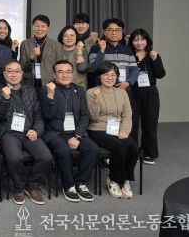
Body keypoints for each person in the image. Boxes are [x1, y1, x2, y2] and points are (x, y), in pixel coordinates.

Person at [39, 60, 99, 203]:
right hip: (55, 132)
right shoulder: (45, 89)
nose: (64, 75)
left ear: (72, 74)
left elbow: (84, 115)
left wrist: (77, 136)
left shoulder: (79, 90)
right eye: (60, 72)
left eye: (68, 72)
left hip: (75, 132)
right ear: (54, 74)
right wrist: (50, 95)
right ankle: (69, 185)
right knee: (63, 150)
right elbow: (48, 115)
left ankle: (80, 182)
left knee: (92, 149)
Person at [0, 60, 52, 205]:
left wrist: (36, 131)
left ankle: (31, 185)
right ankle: (18, 187)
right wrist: (5, 99)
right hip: (8, 133)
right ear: (4, 74)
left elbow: (38, 115)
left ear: (22, 73)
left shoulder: (30, 90)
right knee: (14, 158)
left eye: (17, 71)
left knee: (45, 157)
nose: (13, 74)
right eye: (9, 71)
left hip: (28, 132)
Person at [86, 62, 139, 199]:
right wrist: (96, 100)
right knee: (119, 147)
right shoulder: (91, 92)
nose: (110, 78)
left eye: (113, 75)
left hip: (117, 129)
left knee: (133, 148)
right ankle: (114, 179)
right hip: (98, 128)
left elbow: (127, 114)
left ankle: (125, 179)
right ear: (99, 76)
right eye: (106, 74)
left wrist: (124, 131)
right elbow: (92, 116)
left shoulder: (122, 92)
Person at [88, 18, 139, 140]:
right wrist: (102, 51)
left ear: (122, 32)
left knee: (129, 118)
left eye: (118, 30)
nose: (114, 32)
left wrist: (128, 83)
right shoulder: (95, 48)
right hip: (103, 91)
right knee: (104, 121)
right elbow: (94, 68)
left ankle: (130, 145)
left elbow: (134, 70)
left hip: (124, 90)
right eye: (110, 30)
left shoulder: (127, 50)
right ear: (105, 32)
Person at [129, 28, 166, 164]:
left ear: (147, 40)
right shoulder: (128, 55)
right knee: (131, 124)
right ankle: (132, 151)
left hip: (150, 92)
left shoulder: (152, 55)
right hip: (132, 92)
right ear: (131, 41)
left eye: (142, 39)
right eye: (136, 40)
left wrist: (155, 59)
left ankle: (149, 152)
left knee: (150, 124)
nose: (139, 43)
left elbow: (161, 74)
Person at [20, 14, 63, 88]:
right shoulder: (25, 44)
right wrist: (31, 58)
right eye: (37, 26)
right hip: (29, 84)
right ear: (33, 27)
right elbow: (22, 67)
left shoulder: (56, 45)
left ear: (48, 28)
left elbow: (59, 67)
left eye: (43, 26)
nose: (40, 29)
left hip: (49, 84)